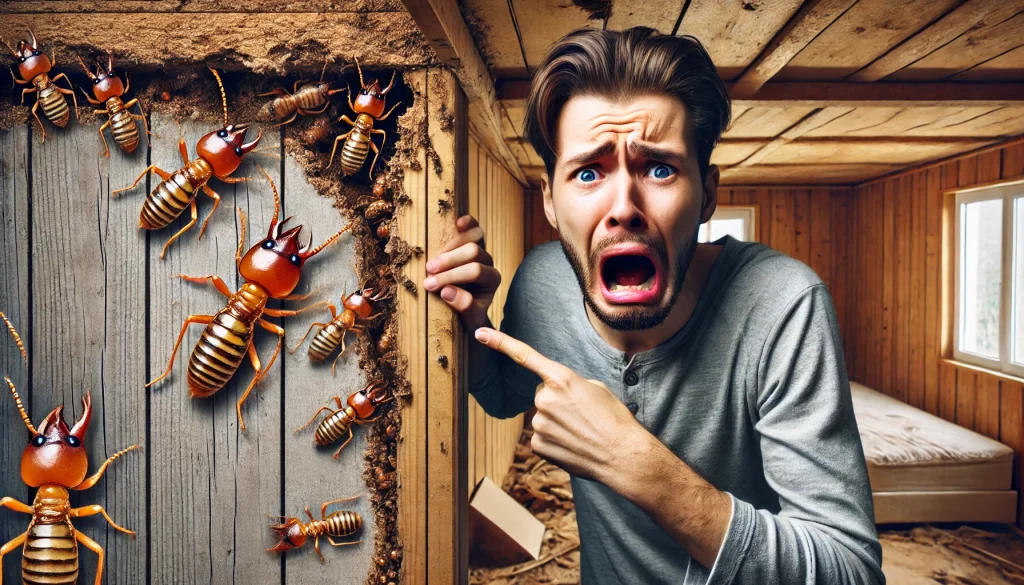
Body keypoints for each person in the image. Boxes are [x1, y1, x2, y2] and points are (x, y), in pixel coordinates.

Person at [422, 27, 884, 585]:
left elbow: (851, 572)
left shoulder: (783, 303)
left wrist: (636, 464)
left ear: (708, 193)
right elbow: (502, 396)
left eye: (659, 168)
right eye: (588, 172)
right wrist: (469, 324)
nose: (623, 208)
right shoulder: (543, 282)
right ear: (549, 200)